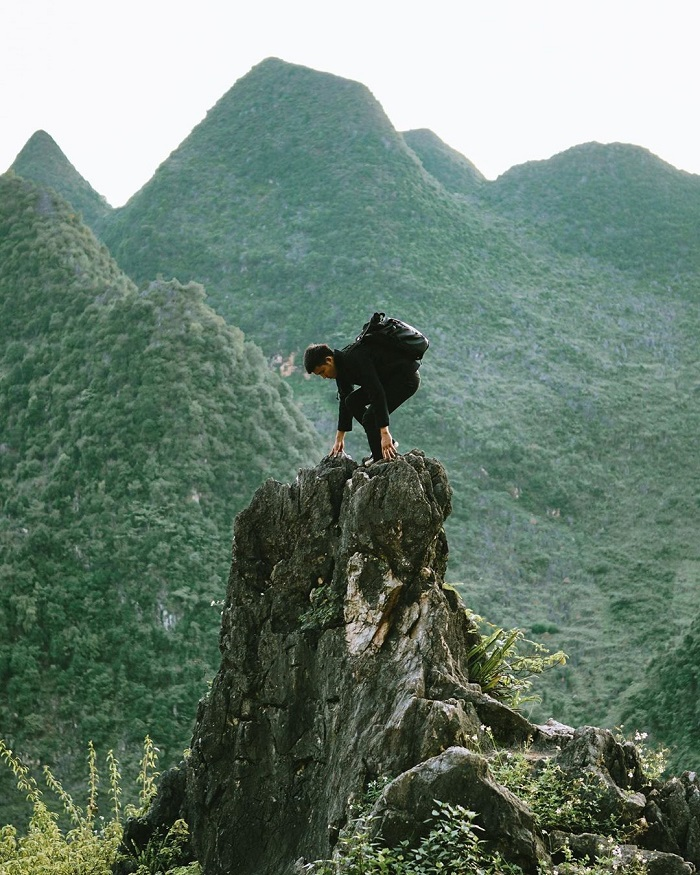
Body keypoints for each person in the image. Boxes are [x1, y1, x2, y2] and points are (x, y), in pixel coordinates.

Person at [304, 338, 421, 464]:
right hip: (386, 382)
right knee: (351, 401)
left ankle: (380, 460)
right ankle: (383, 449)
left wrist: (384, 431)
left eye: (322, 371)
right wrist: (339, 438)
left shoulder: (354, 358)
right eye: (320, 375)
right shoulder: (341, 368)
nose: (324, 377)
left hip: (406, 379)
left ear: (329, 360)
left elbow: (376, 393)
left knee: (370, 418)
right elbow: (345, 400)